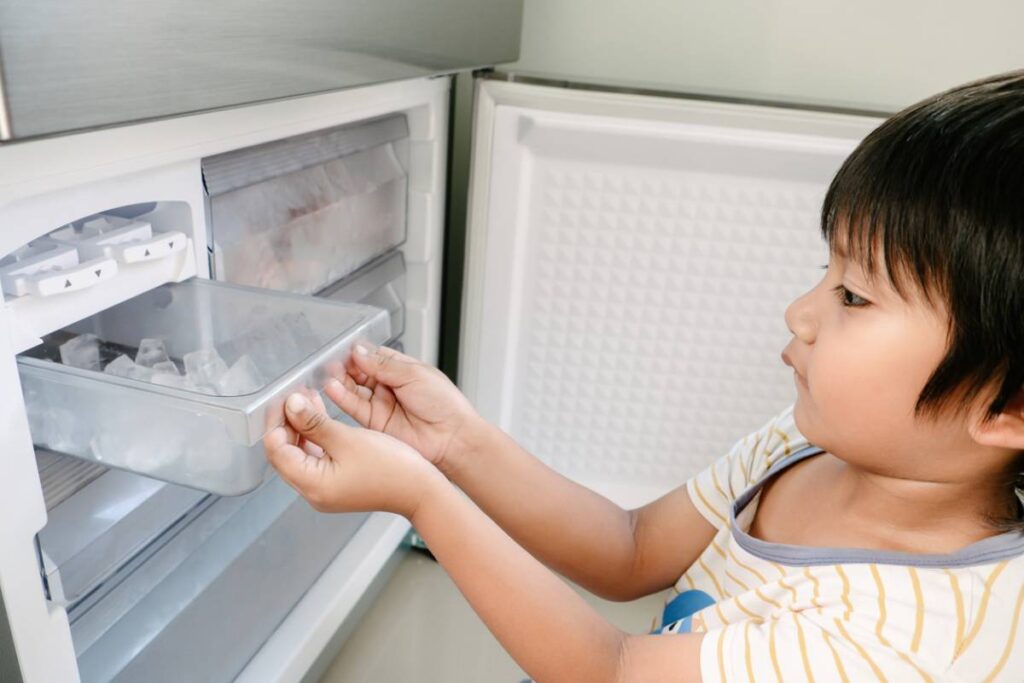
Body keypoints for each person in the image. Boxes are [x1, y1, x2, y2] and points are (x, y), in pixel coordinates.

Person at [264, 71, 1024, 682]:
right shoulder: (806, 443)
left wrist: (420, 496)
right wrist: (456, 443)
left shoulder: (904, 643)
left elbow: (613, 668)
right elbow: (629, 549)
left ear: (1007, 407)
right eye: (826, 272)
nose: (799, 312)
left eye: (853, 296)